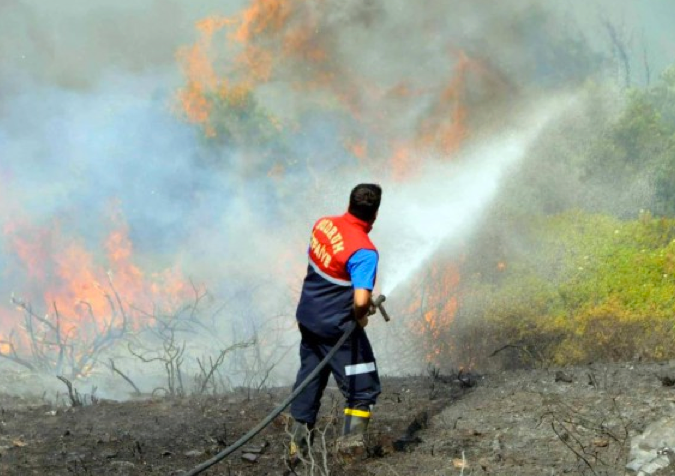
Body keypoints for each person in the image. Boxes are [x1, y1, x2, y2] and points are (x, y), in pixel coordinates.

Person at [288, 183, 383, 465]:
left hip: (308, 319)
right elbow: (361, 299)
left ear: (349, 203)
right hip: (337, 330)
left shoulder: (323, 224)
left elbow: (324, 265)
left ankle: (297, 452)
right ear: (375, 215)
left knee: (309, 380)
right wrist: (362, 315)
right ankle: (350, 453)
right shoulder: (365, 252)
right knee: (363, 387)